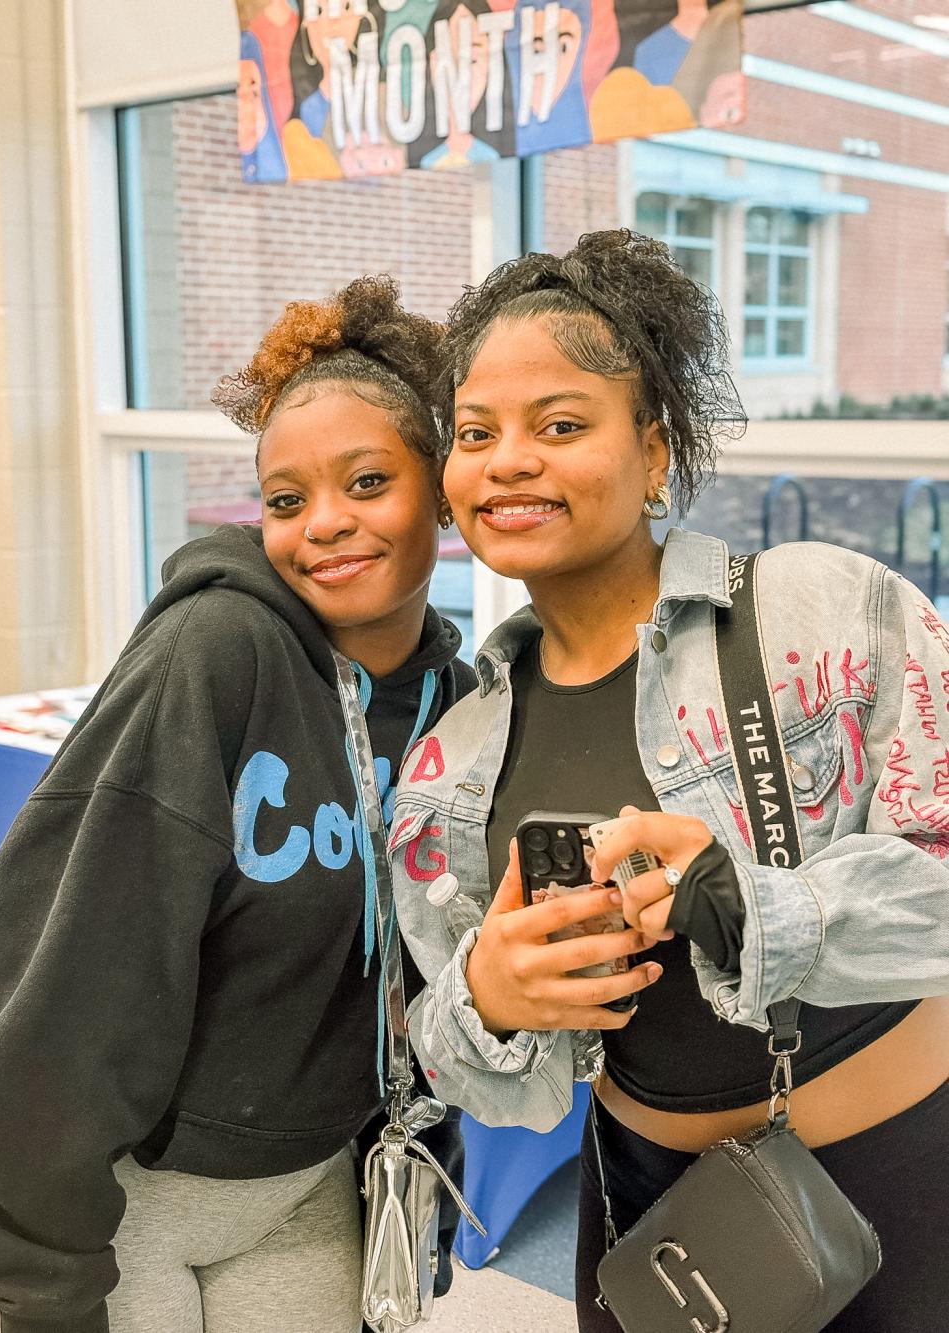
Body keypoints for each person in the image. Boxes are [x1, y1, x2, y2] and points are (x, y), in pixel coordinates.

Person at [390, 230, 949, 1331]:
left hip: (893, 1182)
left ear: (653, 452)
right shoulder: (449, 758)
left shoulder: (824, 612)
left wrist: (760, 905)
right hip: (646, 1205)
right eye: (473, 434)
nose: (507, 460)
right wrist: (490, 1001)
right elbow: (456, 1056)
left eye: (560, 425)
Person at [0, 276, 474, 1333]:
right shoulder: (214, 654)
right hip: (144, 1197)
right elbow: (67, 967)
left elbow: (424, 970)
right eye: (285, 500)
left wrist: (420, 1151)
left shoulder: (457, 711)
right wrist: (43, 1274)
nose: (323, 525)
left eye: (367, 482)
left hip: (321, 1182)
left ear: (445, 492)